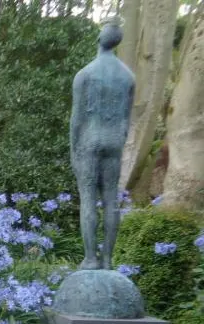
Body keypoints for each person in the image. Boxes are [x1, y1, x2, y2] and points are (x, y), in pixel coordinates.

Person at [70, 19, 135, 270]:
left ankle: (90, 258)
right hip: (114, 141)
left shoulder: (85, 74)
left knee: (88, 199)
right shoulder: (128, 77)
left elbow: (76, 119)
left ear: (99, 40)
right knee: (110, 199)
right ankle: (107, 259)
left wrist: (73, 150)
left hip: (90, 140)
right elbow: (127, 120)